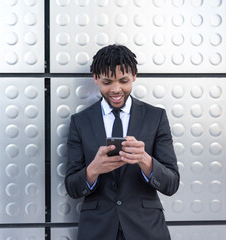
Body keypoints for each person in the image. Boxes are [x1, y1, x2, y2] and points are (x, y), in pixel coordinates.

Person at [65, 44, 180, 240]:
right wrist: (93, 169)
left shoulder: (156, 117)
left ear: (134, 76)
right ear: (96, 78)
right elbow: (72, 187)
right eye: (107, 82)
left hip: (146, 229)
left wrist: (145, 160)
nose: (116, 89)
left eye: (124, 80)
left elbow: (171, 184)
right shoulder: (80, 122)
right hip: (97, 231)